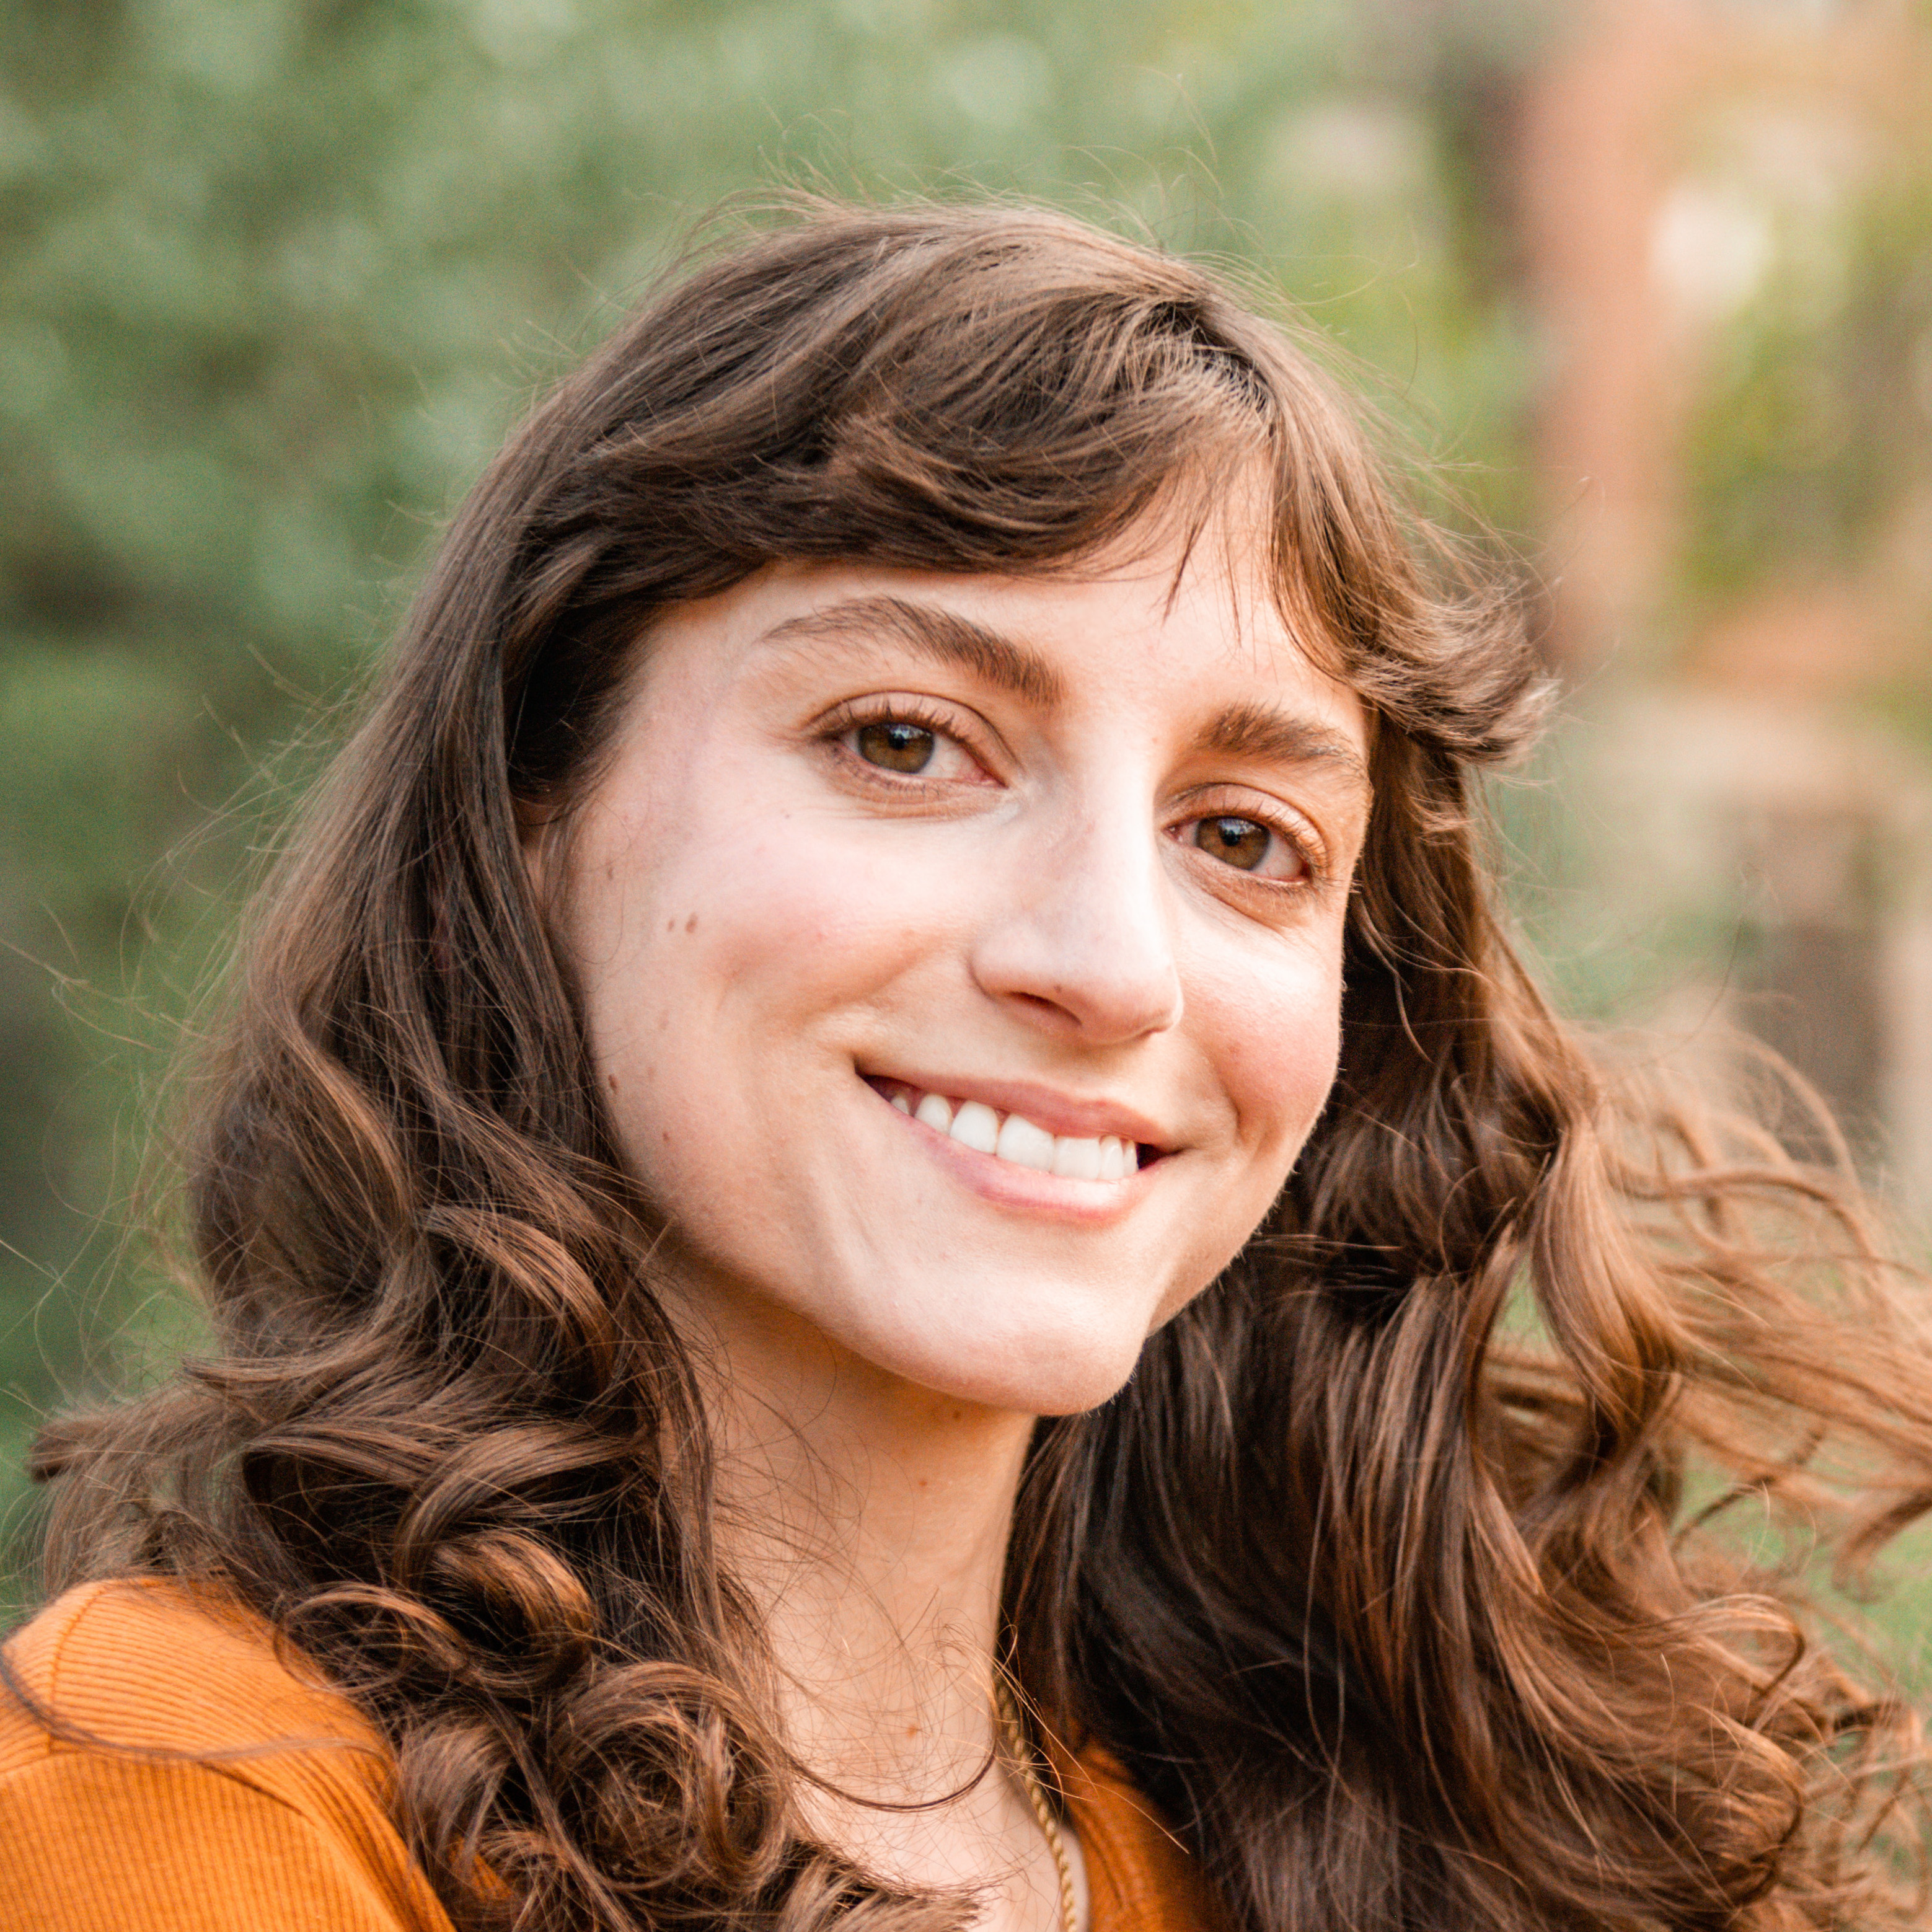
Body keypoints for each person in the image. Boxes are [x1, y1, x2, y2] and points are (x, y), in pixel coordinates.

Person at [2, 199, 1930, 1932]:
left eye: (1246, 837)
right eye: (908, 742)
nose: (1107, 968)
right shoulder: (188, 1802)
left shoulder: (1335, 1848)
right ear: (537, 808)